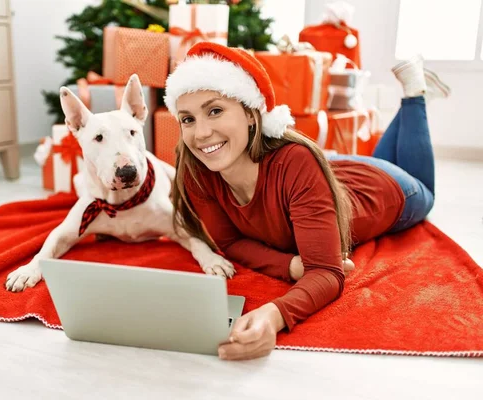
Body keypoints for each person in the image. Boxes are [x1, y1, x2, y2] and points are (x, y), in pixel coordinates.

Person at [163, 42, 450, 361]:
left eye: (215, 110)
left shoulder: (294, 162)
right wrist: (290, 265)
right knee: (368, 162)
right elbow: (229, 242)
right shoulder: (197, 169)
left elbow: (327, 273)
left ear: (249, 113)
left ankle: (415, 95)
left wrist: (273, 315)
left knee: (424, 189)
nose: (200, 133)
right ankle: (410, 100)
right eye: (187, 119)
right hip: (334, 172)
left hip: (387, 188)